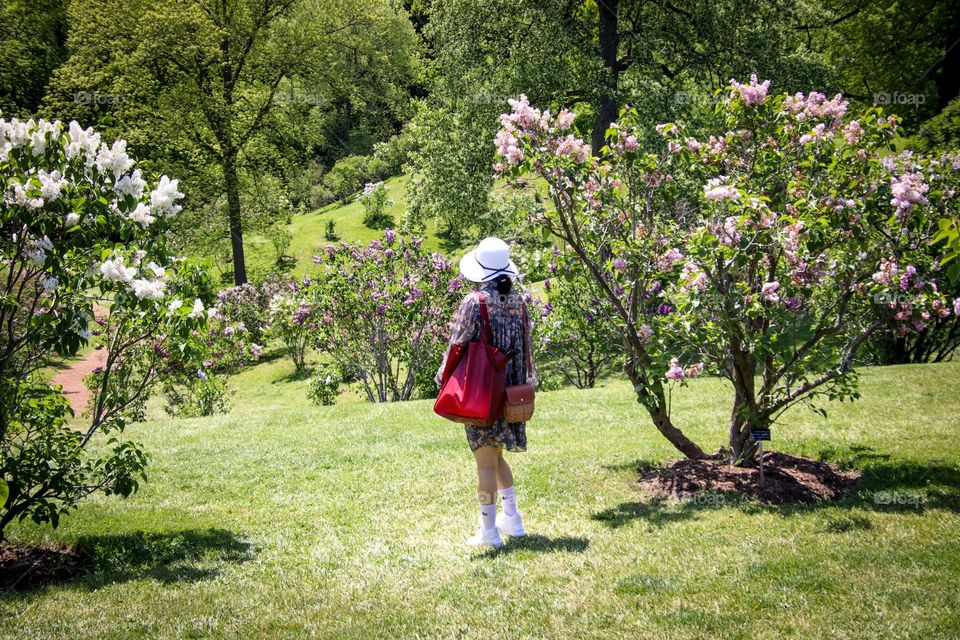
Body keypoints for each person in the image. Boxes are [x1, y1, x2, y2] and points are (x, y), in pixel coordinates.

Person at [436, 237, 537, 548]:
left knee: (484, 460)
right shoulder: (519, 301)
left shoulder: (474, 302)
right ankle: (513, 519)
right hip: (512, 390)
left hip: (483, 388)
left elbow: (458, 343)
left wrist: (444, 377)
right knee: (495, 455)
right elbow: (528, 345)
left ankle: (489, 531)